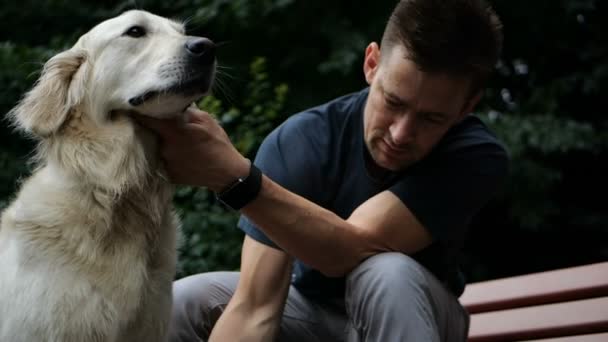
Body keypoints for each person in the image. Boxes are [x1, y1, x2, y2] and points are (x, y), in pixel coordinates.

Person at [138, 0, 507, 340]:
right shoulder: (304, 140)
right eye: (393, 102)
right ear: (371, 64)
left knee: (385, 273)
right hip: (313, 316)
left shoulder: (474, 154)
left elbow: (348, 249)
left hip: (420, 318)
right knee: (185, 300)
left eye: (431, 118)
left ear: (466, 107)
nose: (401, 133)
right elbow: (256, 307)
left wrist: (237, 179)